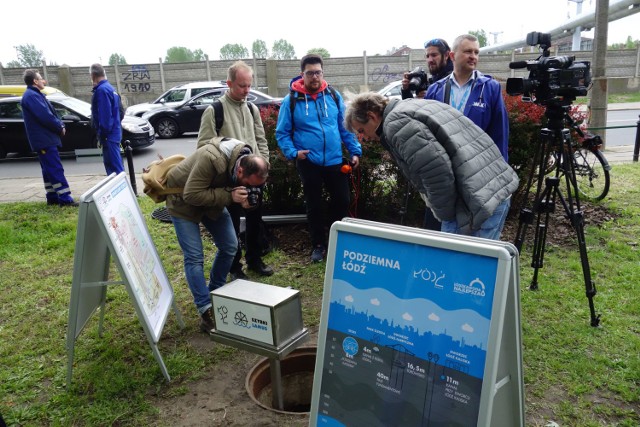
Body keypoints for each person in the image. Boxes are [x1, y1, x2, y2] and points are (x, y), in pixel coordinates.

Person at [344, 92, 518, 240]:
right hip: (493, 190)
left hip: (476, 204)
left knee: (461, 272)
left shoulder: (396, 124)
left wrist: (447, 217)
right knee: (482, 268)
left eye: (361, 131)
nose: (363, 138)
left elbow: (437, 175)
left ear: (372, 116)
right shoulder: (414, 105)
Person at [165, 137, 269, 333]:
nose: (250, 187)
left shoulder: (246, 162)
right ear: (240, 171)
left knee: (230, 246)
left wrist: (245, 200)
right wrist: (230, 196)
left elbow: (230, 189)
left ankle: (216, 294)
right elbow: (191, 194)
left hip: (211, 203)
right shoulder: (211, 158)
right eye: (247, 184)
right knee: (195, 257)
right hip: (183, 203)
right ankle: (206, 310)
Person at [276, 54, 362, 262]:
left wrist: (354, 150)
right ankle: (318, 246)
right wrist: (294, 153)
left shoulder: (333, 95)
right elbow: (282, 132)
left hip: (334, 159)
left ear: (322, 72)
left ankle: (338, 241)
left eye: (318, 72)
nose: (314, 77)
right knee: (314, 205)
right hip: (309, 162)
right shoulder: (292, 101)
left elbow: (345, 126)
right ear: (302, 74)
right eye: (310, 73)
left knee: (342, 201)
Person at [196, 60, 273, 279]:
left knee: (255, 219)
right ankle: (234, 267)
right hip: (230, 180)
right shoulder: (215, 110)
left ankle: (255, 260)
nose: (247, 90)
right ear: (229, 83)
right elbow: (203, 146)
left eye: (249, 85)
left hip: (255, 178)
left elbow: (261, 139)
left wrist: (263, 167)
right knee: (230, 223)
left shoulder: (252, 107)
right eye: (242, 86)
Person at [426, 34, 510, 162]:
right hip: (444, 167)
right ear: (452, 56)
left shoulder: (490, 88)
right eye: (468, 52)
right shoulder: (435, 90)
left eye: (476, 52)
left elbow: (500, 134)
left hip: (478, 166)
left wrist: (501, 167)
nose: (473, 56)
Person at [400, 38, 454, 230]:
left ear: (447, 55)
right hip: (434, 154)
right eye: (427, 56)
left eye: (434, 55)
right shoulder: (433, 81)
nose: (430, 59)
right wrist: (407, 92)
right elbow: (414, 115)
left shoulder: (452, 81)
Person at [20, 69, 77, 207]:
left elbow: (50, 113)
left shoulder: (34, 95)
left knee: (47, 170)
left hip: (43, 140)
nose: (43, 81)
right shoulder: (32, 96)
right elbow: (46, 116)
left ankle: (52, 197)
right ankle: (65, 199)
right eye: (41, 78)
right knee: (55, 168)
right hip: (45, 140)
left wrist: (60, 123)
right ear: (35, 81)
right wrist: (60, 127)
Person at [90, 63, 125, 176]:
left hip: (108, 136)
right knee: (116, 167)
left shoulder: (102, 91)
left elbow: (104, 116)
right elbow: (120, 112)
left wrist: (102, 133)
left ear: (93, 75)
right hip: (114, 134)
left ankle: (123, 192)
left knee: (115, 170)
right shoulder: (111, 89)